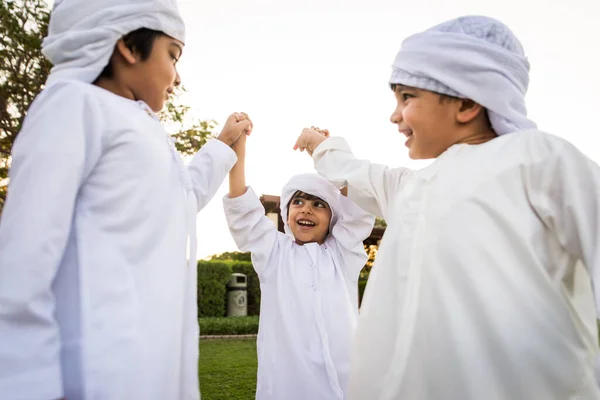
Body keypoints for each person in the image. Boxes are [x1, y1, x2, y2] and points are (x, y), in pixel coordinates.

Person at [294, 15, 600, 400]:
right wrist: (320, 145)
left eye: (407, 98)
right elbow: (356, 174)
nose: (394, 115)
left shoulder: (540, 161)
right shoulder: (414, 186)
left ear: (468, 101)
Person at [0, 0, 251, 398]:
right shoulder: (71, 104)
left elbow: (178, 201)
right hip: (92, 373)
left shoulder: (139, 125)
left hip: (144, 370)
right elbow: (24, 263)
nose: (177, 77)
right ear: (129, 46)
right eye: (173, 55)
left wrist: (222, 146)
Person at [223, 132, 374, 399]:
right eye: (298, 202)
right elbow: (243, 214)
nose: (306, 210)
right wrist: (238, 152)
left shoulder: (342, 254)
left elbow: (360, 207)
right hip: (287, 384)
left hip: (345, 382)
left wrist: (325, 152)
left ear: (333, 218)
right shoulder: (274, 253)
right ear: (287, 214)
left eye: (318, 204)